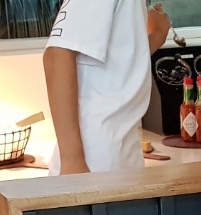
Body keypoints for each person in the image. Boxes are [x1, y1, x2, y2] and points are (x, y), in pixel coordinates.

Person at [44, 0, 171, 174]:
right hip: (94, 159)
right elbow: (57, 56)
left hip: (119, 152)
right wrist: (73, 163)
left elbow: (121, 62)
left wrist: (157, 34)